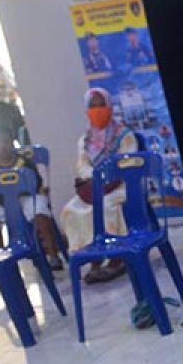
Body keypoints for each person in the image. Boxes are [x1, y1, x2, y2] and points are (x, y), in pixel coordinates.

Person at [60, 88, 138, 283]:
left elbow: (129, 162)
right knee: (71, 210)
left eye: (101, 104)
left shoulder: (124, 134)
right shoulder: (85, 140)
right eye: (92, 106)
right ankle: (93, 256)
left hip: (120, 184)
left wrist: (106, 176)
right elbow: (82, 165)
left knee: (106, 206)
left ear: (109, 106)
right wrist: (94, 177)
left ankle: (116, 257)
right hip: (95, 186)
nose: (97, 110)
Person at [0, 125, 61, 268]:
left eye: (5, 141)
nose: (2, 146)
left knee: (40, 214)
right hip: (5, 203)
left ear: (12, 142)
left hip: (30, 197)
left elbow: (36, 181)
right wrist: (6, 200)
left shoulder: (24, 162)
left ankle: (52, 254)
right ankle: (2, 254)